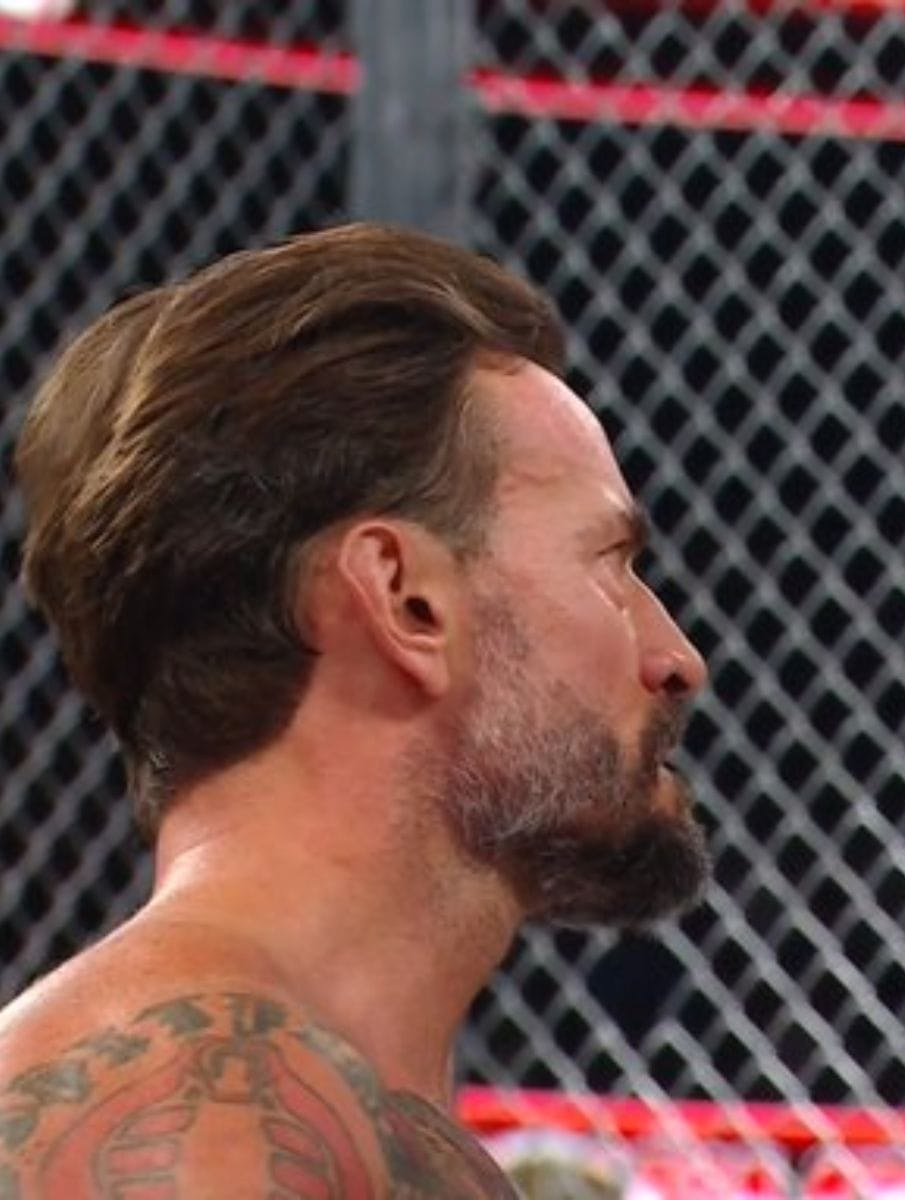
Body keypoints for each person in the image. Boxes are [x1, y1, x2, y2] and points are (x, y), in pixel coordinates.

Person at [0, 223, 711, 1197]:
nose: (676, 659)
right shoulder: (203, 1119)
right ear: (406, 600)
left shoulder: (341, 1115)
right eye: (611, 565)